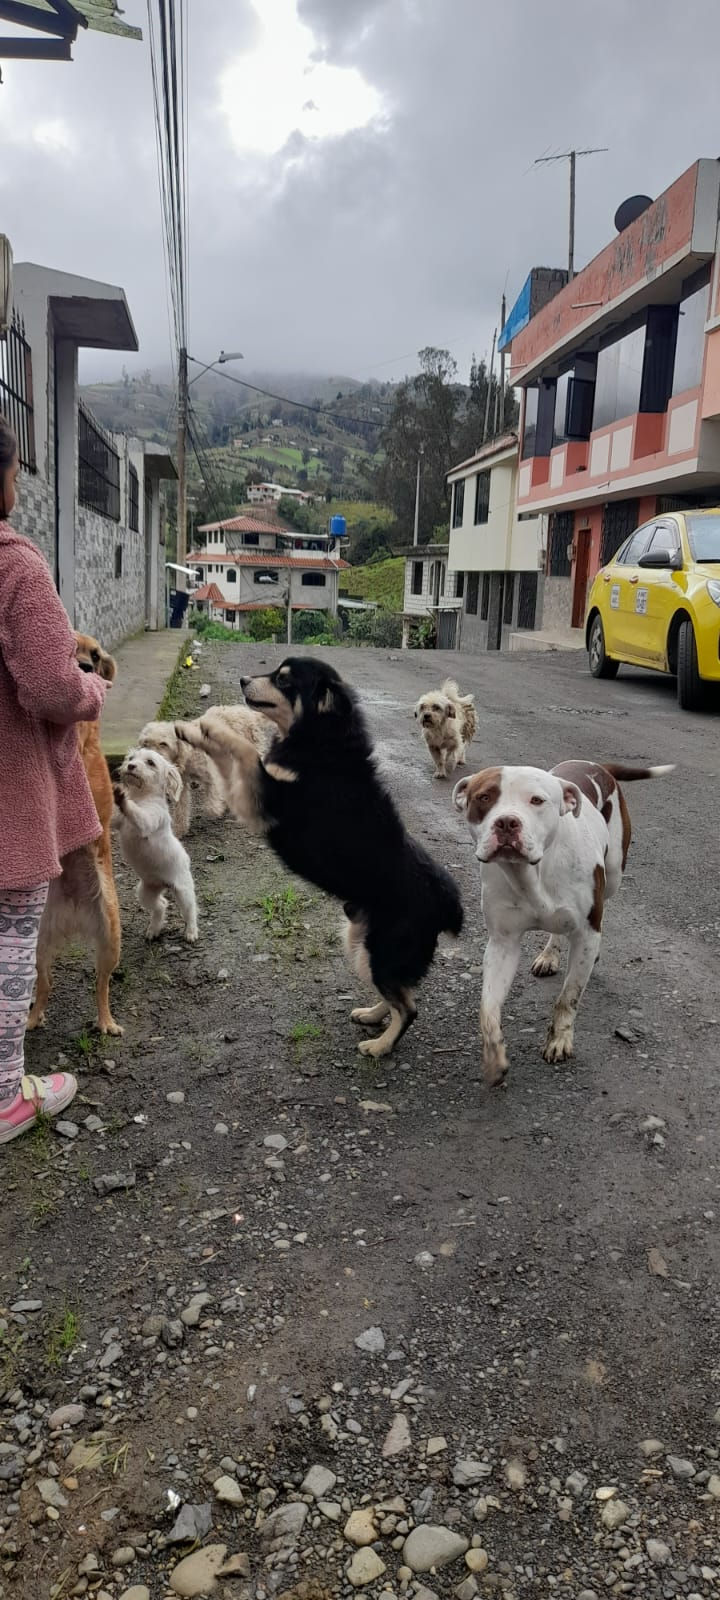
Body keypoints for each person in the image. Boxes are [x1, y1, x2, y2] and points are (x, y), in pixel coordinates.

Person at [0, 413, 109, 1143]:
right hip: (8, 789)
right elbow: (54, 689)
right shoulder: (16, 566)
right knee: (10, 933)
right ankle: (8, 1092)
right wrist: (94, 690)